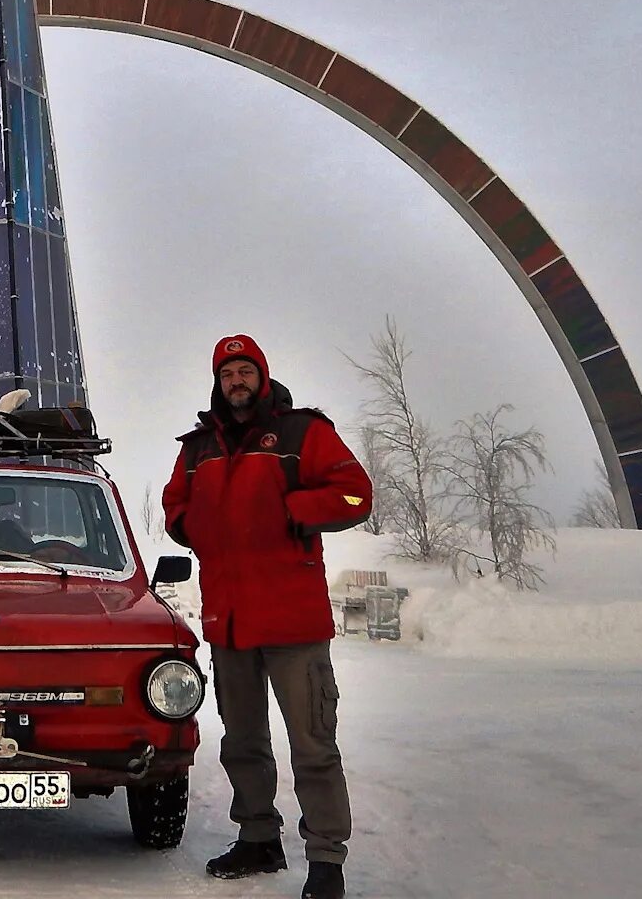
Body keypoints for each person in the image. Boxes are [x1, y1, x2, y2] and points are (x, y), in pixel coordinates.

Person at [162, 334, 373, 899]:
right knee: (242, 742)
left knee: (313, 746)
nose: (237, 380)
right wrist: (193, 528)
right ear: (217, 380)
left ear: (262, 375)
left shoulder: (305, 433)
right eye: (228, 371)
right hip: (229, 622)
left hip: (293, 625)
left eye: (245, 370)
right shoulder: (199, 446)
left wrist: (293, 510)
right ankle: (258, 837)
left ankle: (327, 860)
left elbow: (356, 494)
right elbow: (174, 505)